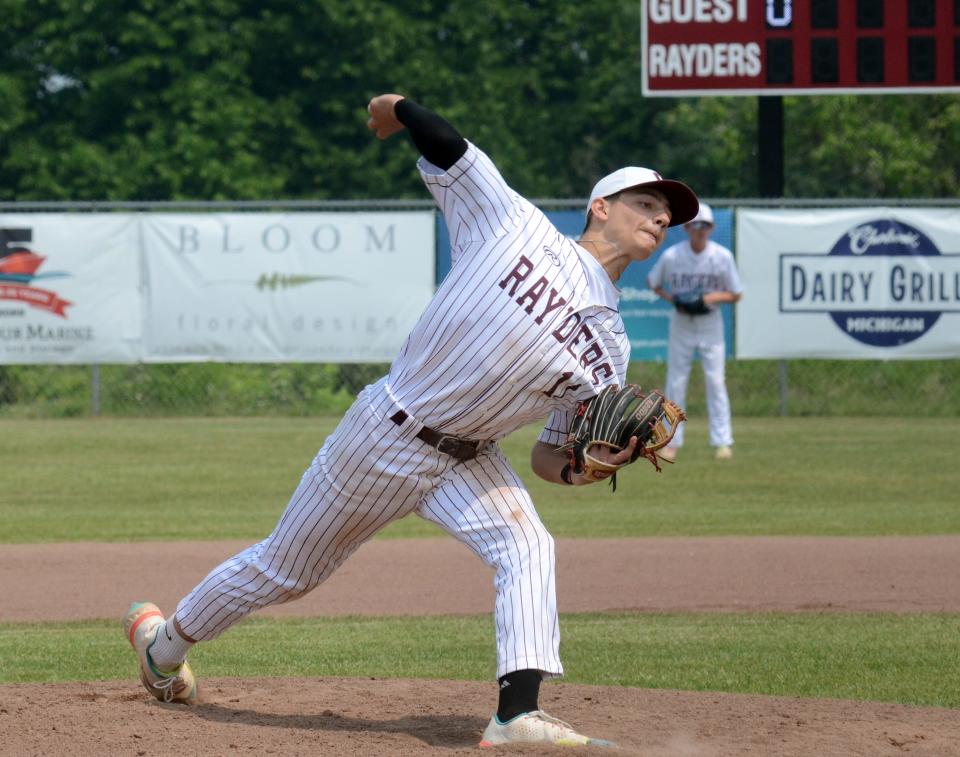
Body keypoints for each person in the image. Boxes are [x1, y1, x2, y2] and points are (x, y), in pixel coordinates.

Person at [122, 93, 699, 748]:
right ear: (602, 206)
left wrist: (595, 465)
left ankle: (517, 714)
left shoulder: (610, 349)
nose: (660, 219)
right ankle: (162, 648)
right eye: (646, 204)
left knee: (529, 545)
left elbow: (551, 458)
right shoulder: (517, 227)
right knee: (285, 570)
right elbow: (453, 149)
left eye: (668, 215)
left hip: (470, 459)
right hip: (387, 432)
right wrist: (401, 108)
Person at [646, 203, 742, 461]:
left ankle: (722, 441)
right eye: (695, 225)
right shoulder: (673, 256)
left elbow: (735, 293)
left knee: (716, 381)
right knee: (676, 381)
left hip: (710, 321)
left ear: (711, 228)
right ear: (687, 227)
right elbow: (653, 282)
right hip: (682, 321)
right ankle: (671, 440)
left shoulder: (721, 256)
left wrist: (708, 297)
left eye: (705, 226)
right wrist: (674, 300)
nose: (699, 230)